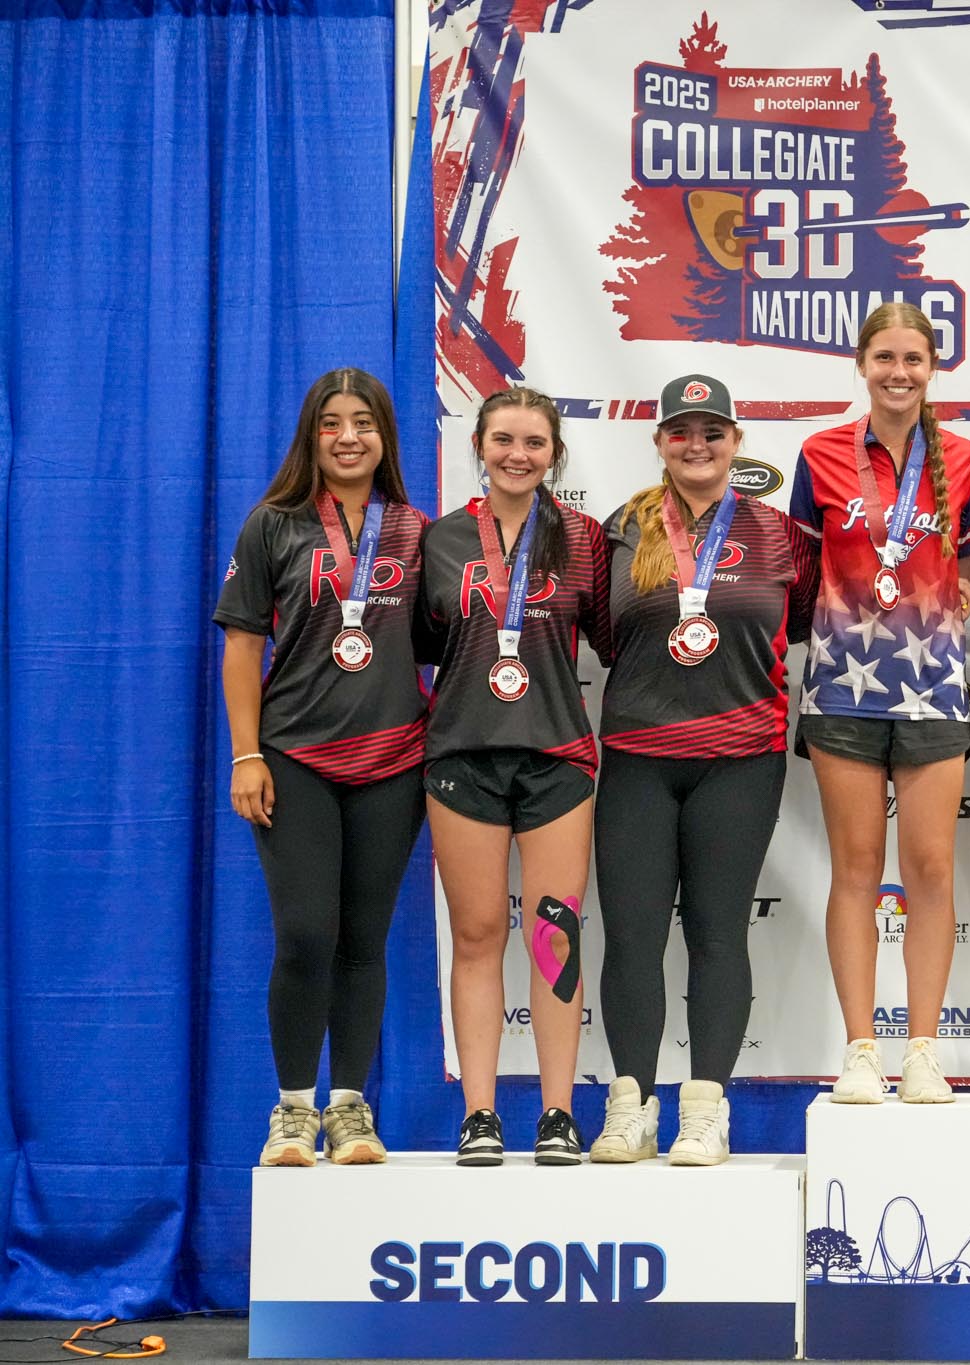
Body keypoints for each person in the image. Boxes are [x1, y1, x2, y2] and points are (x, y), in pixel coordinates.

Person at [589, 374, 819, 1164]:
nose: (698, 445)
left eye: (713, 431)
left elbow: (801, 623)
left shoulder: (782, 535)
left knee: (719, 933)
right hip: (639, 757)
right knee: (632, 936)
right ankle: (630, 1106)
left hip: (740, 759)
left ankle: (705, 1109)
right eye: (682, 431)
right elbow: (603, 634)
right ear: (659, 441)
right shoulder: (620, 530)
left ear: (736, 442)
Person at [216, 369, 428, 1167]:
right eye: (331, 422)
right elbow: (242, 647)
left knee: (364, 941)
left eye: (363, 421)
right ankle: (293, 1110)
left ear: (384, 436)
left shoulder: (416, 530)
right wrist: (246, 753)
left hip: (394, 759)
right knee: (307, 934)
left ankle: (349, 1109)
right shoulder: (272, 525)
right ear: (312, 434)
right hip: (293, 758)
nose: (348, 436)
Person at [789, 302, 970, 1104]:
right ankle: (860, 1051)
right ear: (861, 364)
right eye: (885, 357)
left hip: (934, 688)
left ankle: (922, 1050)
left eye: (913, 358)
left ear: (932, 367)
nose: (898, 372)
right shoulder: (820, 453)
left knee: (931, 869)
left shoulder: (964, 459)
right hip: (841, 687)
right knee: (856, 867)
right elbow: (802, 572)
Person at [417, 386, 614, 1166]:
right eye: (503, 439)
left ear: (554, 454)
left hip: (556, 754)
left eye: (534, 442)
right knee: (475, 935)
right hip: (463, 754)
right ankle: (479, 1114)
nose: (518, 454)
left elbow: (615, 638)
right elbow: (421, 644)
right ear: (480, 445)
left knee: (553, 935)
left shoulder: (582, 539)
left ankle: (558, 1112)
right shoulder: (440, 539)